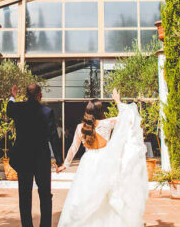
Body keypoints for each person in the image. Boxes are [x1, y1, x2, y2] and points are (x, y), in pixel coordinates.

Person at [56, 89, 148, 227]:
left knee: (85, 195)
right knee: (106, 196)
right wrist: (117, 101)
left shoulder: (80, 127)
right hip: (106, 161)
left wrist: (65, 165)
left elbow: (73, 148)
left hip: (87, 163)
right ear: (100, 111)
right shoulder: (107, 123)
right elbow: (128, 118)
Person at [7, 84, 63, 227]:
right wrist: (59, 160)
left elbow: (9, 109)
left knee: (24, 195)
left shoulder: (18, 108)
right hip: (41, 158)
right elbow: (53, 137)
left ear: (26, 94)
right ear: (40, 95)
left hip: (23, 158)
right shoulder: (47, 112)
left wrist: (13, 96)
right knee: (45, 194)